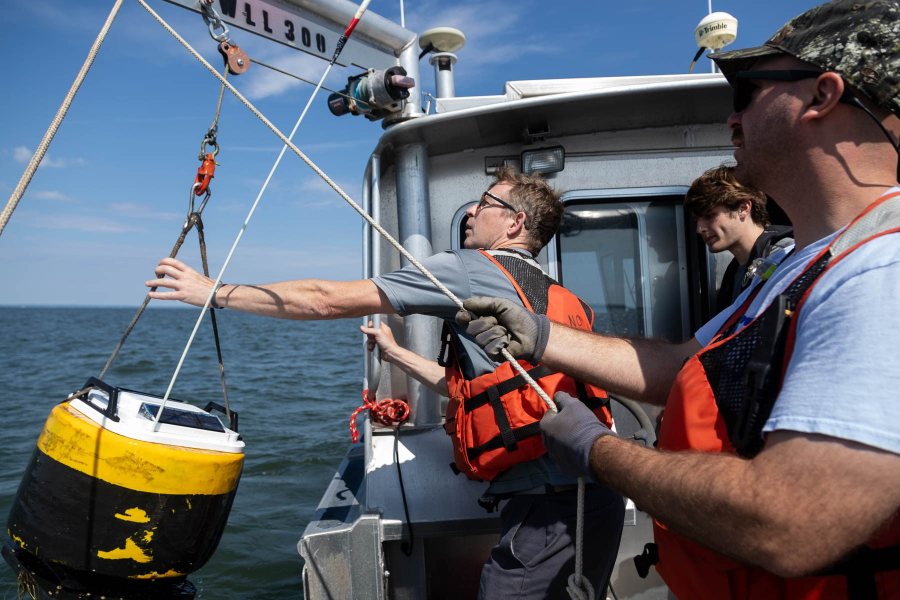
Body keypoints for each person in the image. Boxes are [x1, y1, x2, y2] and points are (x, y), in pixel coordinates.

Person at [456, 1, 900, 598]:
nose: (732, 119)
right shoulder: (801, 262)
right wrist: (538, 336)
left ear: (822, 95)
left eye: (746, 92)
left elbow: (793, 522)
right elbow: (682, 363)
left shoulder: (882, 268)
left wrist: (597, 450)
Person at [146, 168, 625, 600]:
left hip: (547, 511)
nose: (473, 211)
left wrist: (216, 292)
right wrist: (396, 354)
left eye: (485, 203)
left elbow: (324, 301)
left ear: (514, 223)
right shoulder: (562, 297)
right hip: (594, 497)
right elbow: (489, 391)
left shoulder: (468, 267)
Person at [685, 165, 793, 312]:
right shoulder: (734, 273)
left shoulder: (784, 256)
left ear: (743, 208)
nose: (699, 229)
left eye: (709, 215)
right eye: (697, 220)